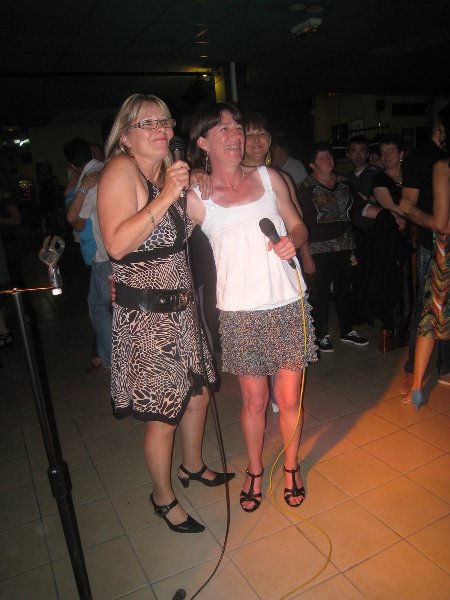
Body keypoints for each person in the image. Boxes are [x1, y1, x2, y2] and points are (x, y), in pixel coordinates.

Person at [97, 93, 230, 534]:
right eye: (147, 123)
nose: (161, 129)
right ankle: (162, 497)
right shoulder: (121, 170)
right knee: (163, 415)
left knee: (199, 394)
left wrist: (195, 181)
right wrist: (170, 193)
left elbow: (192, 223)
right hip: (149, 321)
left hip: (182, 311)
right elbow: (117, 244)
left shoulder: (167, 172)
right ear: (125, 136)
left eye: (165, 121)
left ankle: (192, 466)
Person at [187, 102, 317, 512]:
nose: (235, 134)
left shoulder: (269, 177)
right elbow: (160, 240)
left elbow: (298, 224)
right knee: (254, 401)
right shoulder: (195, 197)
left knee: (289, 399)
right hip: (239, 313)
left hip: (287, 303)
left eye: (237, 127)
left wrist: (293, 239)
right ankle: (256, 470)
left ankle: (291, 466)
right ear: (203, 142)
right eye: (222, 128)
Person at [298, 142, 382, 353]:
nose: (328, 160)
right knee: (320, 293)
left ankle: (347, 330)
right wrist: (306, 255)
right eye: (322, 157)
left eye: (329, 156)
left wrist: (387, 215)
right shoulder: (306, 187)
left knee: (344, 290)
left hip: (344, 246)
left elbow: (361, 208)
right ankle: (321, 335)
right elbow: (300, 223)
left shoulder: (344, 182)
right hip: (318, 249)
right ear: (312, 164)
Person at [400, 104, 450, 405]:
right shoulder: (427, 160)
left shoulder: (443, 166)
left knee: (430, 317)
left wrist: (409, 209)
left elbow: (441, 223)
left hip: (445, 250)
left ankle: (417, 386)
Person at [65, 138, 112, 374]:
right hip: (112, 250)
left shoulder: (90, 177)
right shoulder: (108, 168)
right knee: (103, 303)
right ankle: (106, 356)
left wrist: (80, 190)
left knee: (99, 305)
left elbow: (75, 219)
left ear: (72, 164)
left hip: (104, 252)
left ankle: (112, 358)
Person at [370, 134, 413, 348]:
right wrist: (421, 215)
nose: (385, 156)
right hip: (392, 238)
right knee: (398, 284)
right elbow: (390, 207)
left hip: (415, 234)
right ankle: (395, 332)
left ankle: (405, 330)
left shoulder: (412, 175)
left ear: (401, 154)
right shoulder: (379, 179)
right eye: (383, 152)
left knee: (413, 283)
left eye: (390, 151)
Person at [346, 135, 381, 324]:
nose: (358, 155)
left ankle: (374, 313)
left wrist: (366, 199)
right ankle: (360, 312)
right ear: (348, 154)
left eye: (362, 151)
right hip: (354, 234)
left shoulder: (375, 174)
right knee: (356, 274)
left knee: (374, 273)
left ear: (368, 154)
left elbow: (384, 200)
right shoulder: (346, 178)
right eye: (354, 151)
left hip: (374, 232)